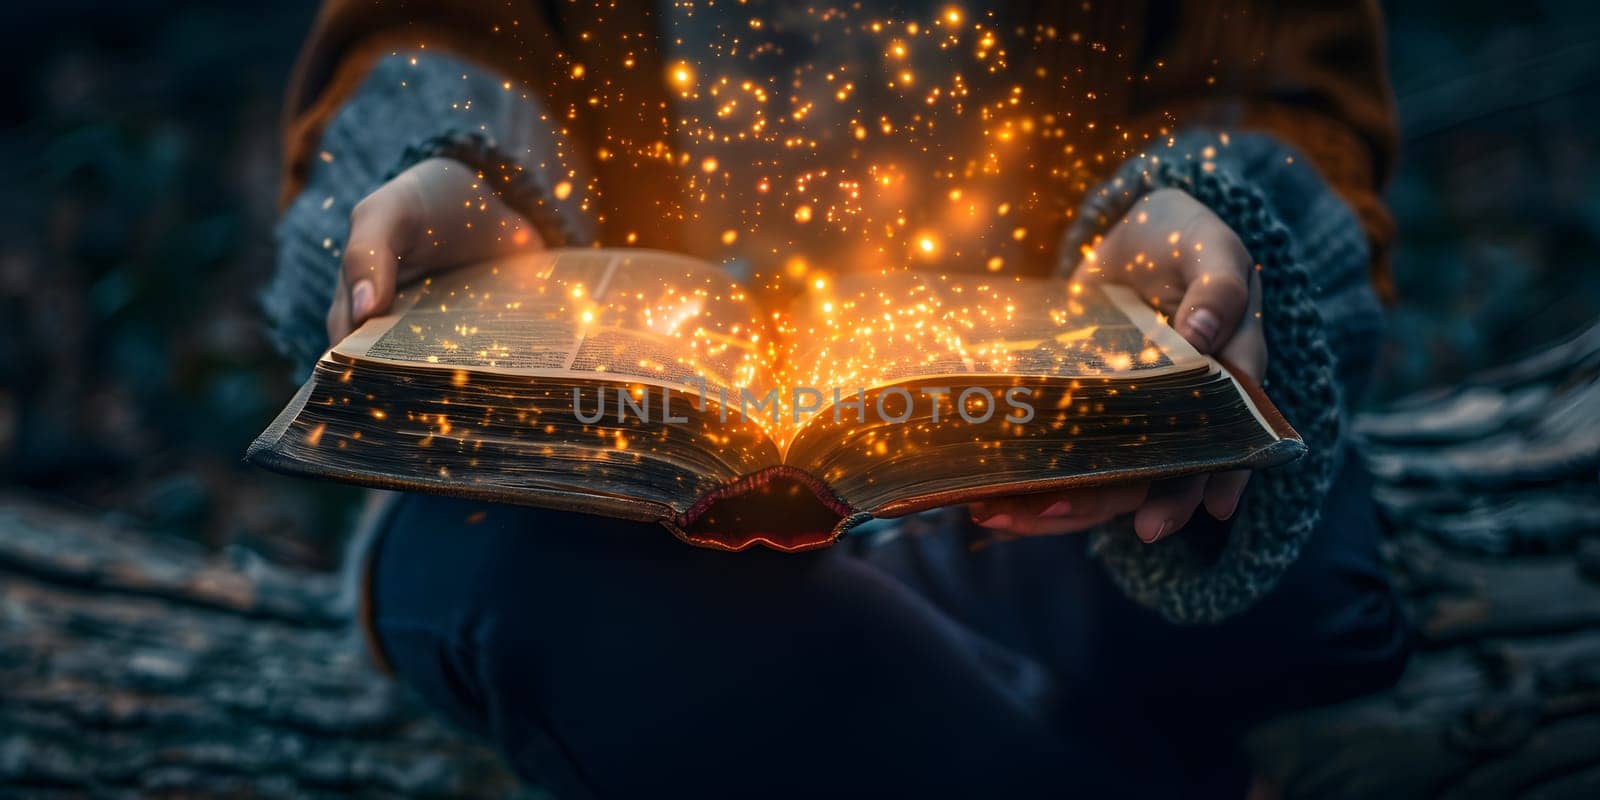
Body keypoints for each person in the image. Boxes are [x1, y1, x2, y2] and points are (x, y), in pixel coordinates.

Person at [267, 1, 1411, 796]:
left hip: (1042, 469)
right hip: (589, 515)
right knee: (545, 601)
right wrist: (457, 173)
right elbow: (422, 29)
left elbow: (1277, 74)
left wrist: (1205, 220)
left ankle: (867, 665)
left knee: (1303, 576)